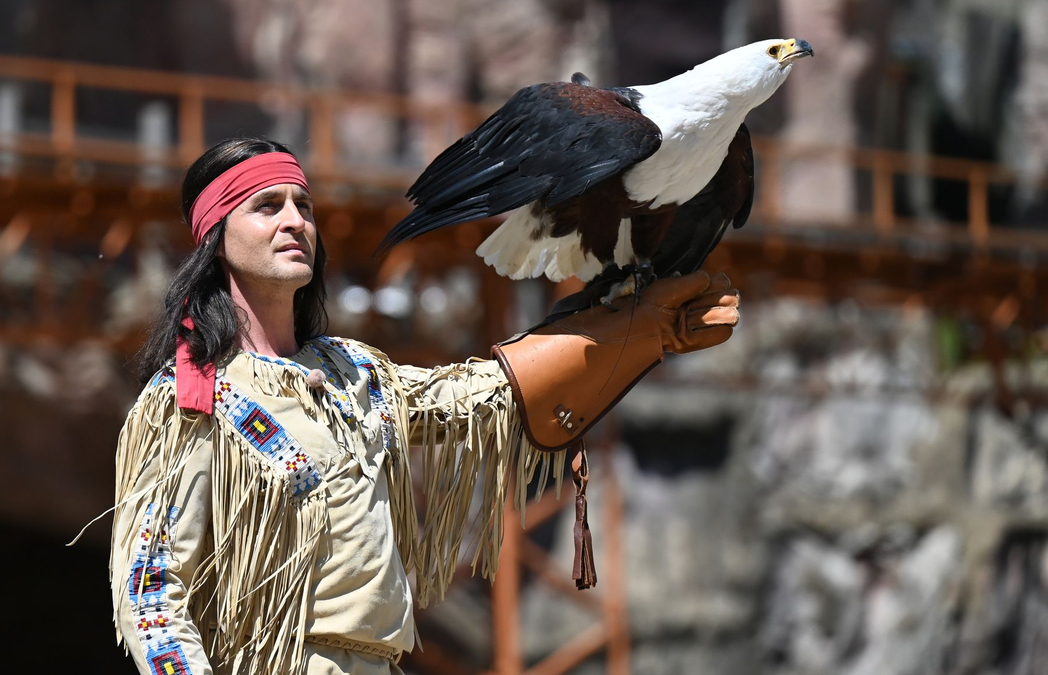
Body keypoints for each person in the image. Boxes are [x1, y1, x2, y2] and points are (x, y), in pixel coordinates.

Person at [110, 136, 741, 675]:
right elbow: (150, 590)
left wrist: (625, 339)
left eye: (303, 204)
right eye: (266, 207)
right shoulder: (190, 403)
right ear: (217, 237)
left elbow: (477, 398)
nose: (294, 220)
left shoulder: (354, 370)